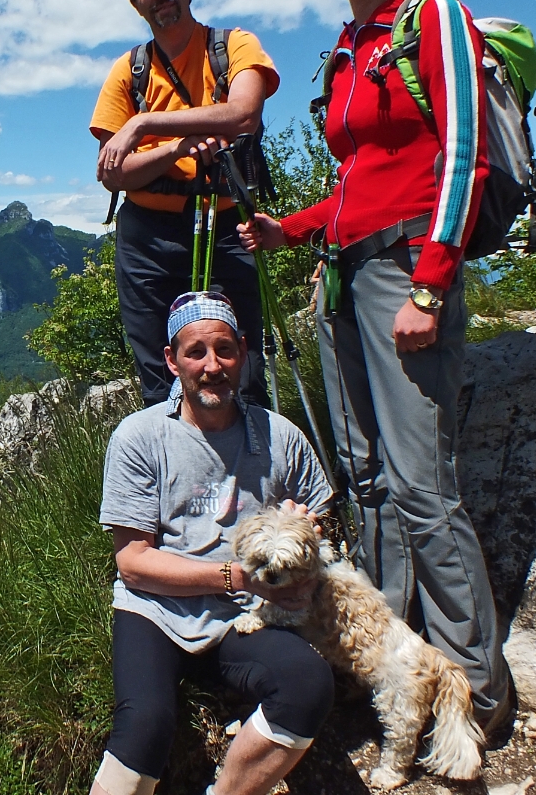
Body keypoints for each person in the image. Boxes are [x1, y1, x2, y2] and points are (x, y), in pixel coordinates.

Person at [238, 0, 513, 731]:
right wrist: (296, 230)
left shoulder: (430, 19)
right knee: (365, 480)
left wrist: (432, 284)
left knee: (423, 486)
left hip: (404, 269)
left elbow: (460, 152)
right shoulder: (348, 49)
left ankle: (477, 693)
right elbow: (358, 180)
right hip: (343, 271)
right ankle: (390, 659)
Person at [92, 291, 335, 795]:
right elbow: (133, 564)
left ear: (243, 352)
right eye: (195, 353)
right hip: (154, 610)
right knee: (145, 724)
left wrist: (306, 533)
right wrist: (237, 576)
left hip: (245, 615)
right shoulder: (140, 437)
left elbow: (322, 519)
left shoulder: (279, 436)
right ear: (171, 361)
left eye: (224, 350)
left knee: (307, 684)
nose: (211, 366)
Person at [92, 0, 279, 408]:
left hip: (226, 225)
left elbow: (243, 114)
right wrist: (178, 148)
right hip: (148, 239)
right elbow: (115, 173)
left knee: (241, 363)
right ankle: (178, 472)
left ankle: (253, 473)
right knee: (160, 372)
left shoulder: (233, 45)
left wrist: (144, 124)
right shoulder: (128, 71)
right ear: (135, 2)